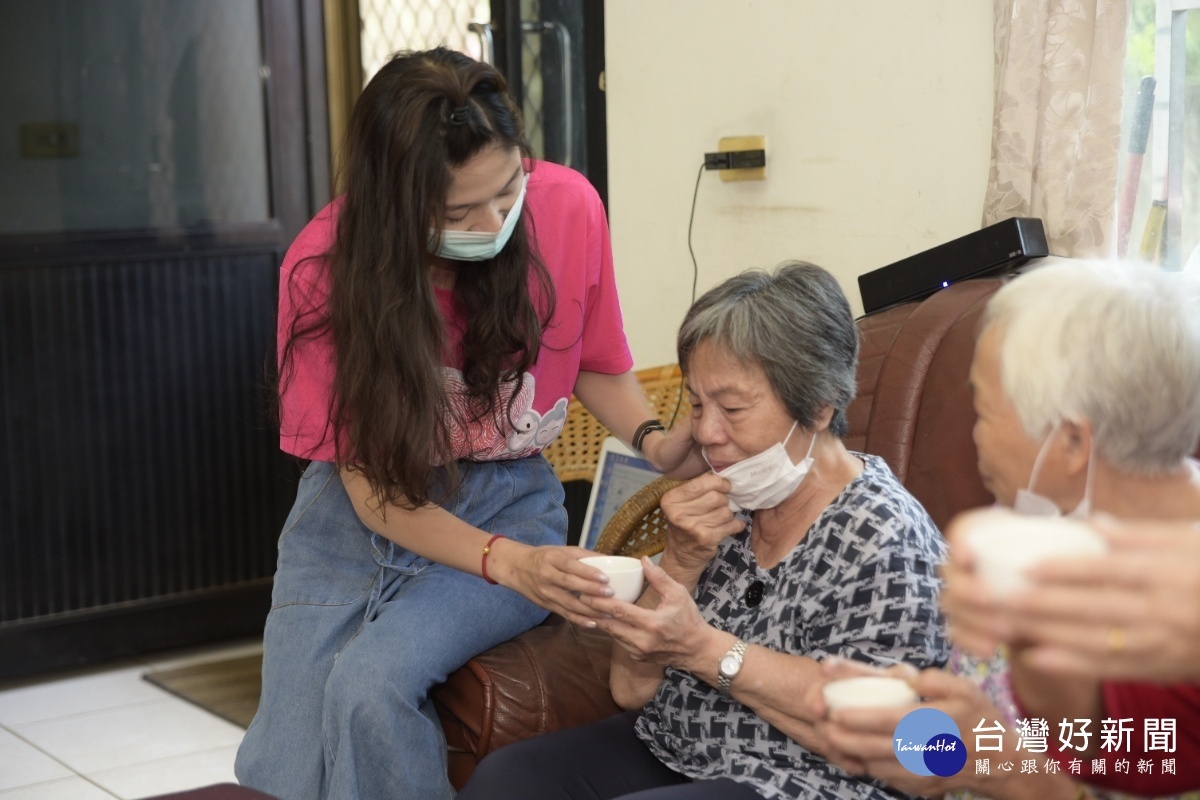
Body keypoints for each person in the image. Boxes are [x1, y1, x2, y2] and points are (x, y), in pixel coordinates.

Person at [233, 47, 698, 800]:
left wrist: (656, 443)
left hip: (511, 503)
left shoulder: (570, 207)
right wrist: (513, 568)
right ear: (397, 204)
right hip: (359, 516)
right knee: (284, 763)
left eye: (509, 189)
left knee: (370, 687)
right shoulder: (323, 269)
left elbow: (594, 360)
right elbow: (373, 497)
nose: (495, 221)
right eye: (458, 212)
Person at [458, 261, 949, 800]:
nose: (708, 435)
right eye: (696, 405)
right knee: (506, 782)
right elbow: (629, 688)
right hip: (677, 745)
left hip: (806, 778)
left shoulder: (882, 534)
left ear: (818, 405)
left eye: (733, 407)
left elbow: (902, 743)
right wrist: (684, 558)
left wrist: (701, 647)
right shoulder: (727, 501)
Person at [812, 259, 1200, 799]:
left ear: (1070, 443)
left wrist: (1000, 770)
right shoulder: (1020, 533)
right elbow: (986, 745)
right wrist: (917, 733)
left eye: (985, 412)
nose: (974, 438)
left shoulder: (1181, 605)